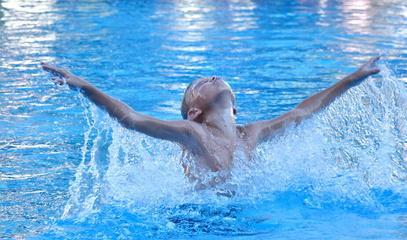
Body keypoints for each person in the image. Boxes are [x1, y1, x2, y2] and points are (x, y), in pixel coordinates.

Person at [41, 57, 380, 189]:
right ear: (194, 113)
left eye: (214, 78)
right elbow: (131, 118)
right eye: (201, 83)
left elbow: (303, 112)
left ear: (234, 107)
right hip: (195, 220)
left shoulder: (253, 133)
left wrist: (353, 78)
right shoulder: (193, 133)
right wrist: (82, 84)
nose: (213, 77)